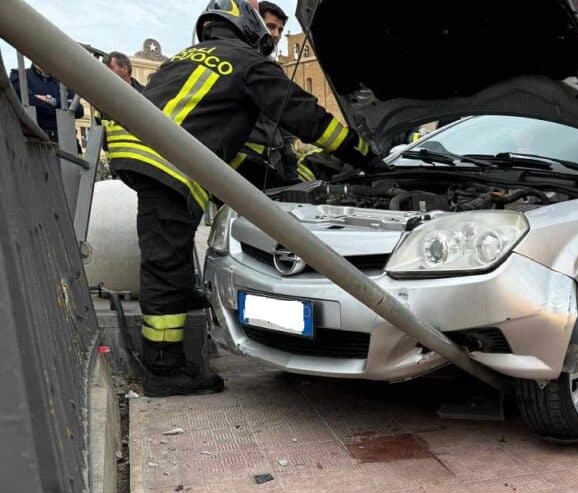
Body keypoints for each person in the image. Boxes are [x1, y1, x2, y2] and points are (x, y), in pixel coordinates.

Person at [106, 0, 379, 397]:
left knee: (172, 252)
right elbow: (305, 116)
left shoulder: (188, 57)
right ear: (248, 28)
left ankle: (179, 304)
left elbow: (219, 135)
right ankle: (163, 370)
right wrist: (361, 153)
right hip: (165, 158)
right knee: (164, 262)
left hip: (141, 148)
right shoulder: (247, 62)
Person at [232, 1, 301, 190]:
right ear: (252, 24)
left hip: (275, 160)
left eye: (280, 29)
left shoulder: (273, 69)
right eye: (271, 26)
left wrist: (290, 160)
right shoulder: (235, 63)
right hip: (243, 164)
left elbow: (285, 119)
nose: (276, 34)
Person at [8, 61, 85, 143]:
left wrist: (52, 101)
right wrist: (63, 108)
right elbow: (30, 103)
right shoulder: (20, 76)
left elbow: (79, 110)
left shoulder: (62, 81)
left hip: (66, 141)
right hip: (37, 142)